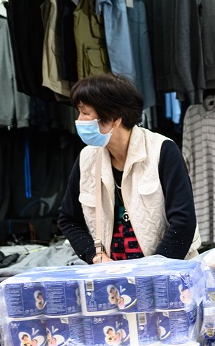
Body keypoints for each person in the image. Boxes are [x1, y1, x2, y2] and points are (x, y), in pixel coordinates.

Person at [57, 74, 200, 263]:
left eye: (85, 113)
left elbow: (184, 221)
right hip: (112, 279)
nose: (79, 120)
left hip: (167, 273)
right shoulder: (87, 158)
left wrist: (155, 268)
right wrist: (95, 256)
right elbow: (68, 218)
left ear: (114, 118)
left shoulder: (162, 150)